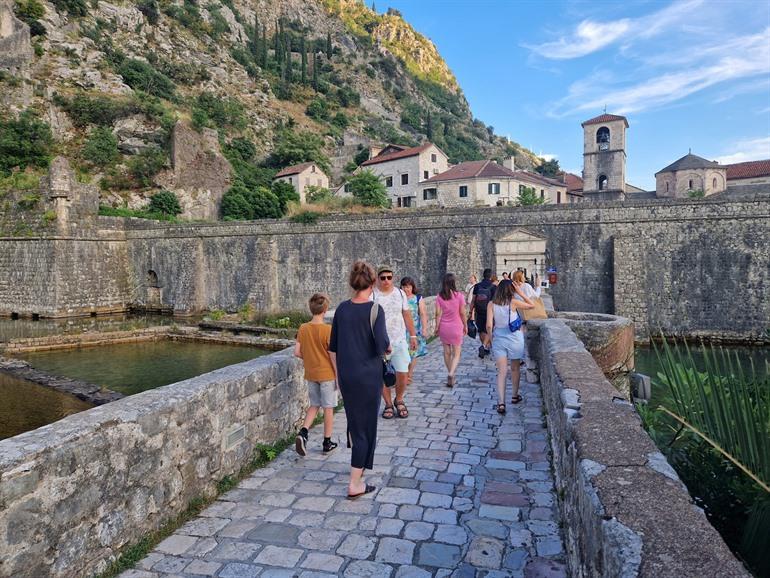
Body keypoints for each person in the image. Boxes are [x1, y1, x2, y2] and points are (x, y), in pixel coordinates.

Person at [329, 261, 390, 499]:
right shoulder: (375, 310)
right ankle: (355, 484)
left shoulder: (342, 309)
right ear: (373, 282)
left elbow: (333, 348)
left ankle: (359, 472)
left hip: (346, 376)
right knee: (366, 429)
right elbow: (381, 347)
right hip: (368, 377)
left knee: (355, 426)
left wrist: (337, 376)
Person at [293, 293, 338, 456]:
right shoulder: (328, 330)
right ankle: (327, 442)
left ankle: (303, 432)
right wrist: (338, 376)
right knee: (328, 408)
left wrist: (310, 357)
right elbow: (333, 355)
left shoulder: (303, 328)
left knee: (314, 405)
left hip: (311, 373)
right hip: (327, 374)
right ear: (325, 310)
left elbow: (297, 352)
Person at [373, 265, 417, 419]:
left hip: (399, 340)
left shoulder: (400, 294)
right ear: (378, 279)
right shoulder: (372, 296)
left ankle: (399, 399)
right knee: (381, 375)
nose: (386, 280)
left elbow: (406, 314)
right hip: (379, 343)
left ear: (393, 278)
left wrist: (413, 336)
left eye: (389, 277)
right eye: (383, 277)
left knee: (403, 373)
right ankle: (388, 404)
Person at [486, 279, 534, 415]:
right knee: (515, 368)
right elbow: (531, 305)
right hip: (514, 338)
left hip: (499, 339)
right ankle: (514, 395)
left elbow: (489, 325)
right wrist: (520, 292)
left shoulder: (491, 304)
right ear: (510, 290)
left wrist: (490, 338)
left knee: (501, 372)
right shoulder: (513, 302)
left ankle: (501, 403)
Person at [434, 273, 467, 387]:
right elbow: (462, 313)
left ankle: (450, 373)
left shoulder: (439, 296)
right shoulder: (459, 296)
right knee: (456, 353)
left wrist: (436, 327)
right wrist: (465, 325)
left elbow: (438, 314)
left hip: (444, 326)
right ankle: (451, 373)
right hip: (456, 326)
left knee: (447, 352)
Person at [400, 276, 428, 385]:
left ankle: (409, 375)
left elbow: (423, 313)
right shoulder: (399, 298)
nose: (407, 289)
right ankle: (403, 374)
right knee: (403, 354)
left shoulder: (417, 298)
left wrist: (425, 329)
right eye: (404, 287)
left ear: (412, 287)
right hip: (401, 330)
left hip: (414, 331)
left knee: (413, 353)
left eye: (409, 286)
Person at [469, 268, 495, 358]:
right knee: (489, 329)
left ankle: (485, 347)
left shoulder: (477, 286)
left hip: (479, 311)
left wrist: (470, 311)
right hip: (490, 311)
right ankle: (484, 346)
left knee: (481, 330)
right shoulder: (493, 286)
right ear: (491, 276)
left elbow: (473, 300)